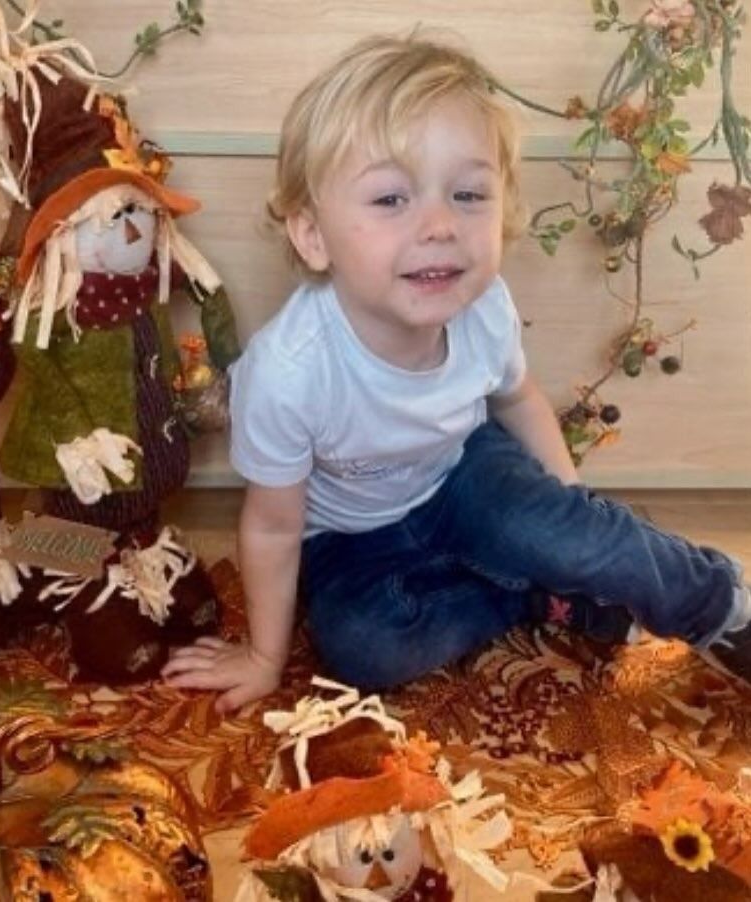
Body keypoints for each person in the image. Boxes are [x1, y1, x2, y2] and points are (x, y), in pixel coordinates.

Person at [161, 35, 751, 712]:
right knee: (363, 648)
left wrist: (570, 519)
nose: (440, 224)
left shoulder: (484, 309)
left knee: (564, 534)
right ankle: (534, 595)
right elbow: (271, 526)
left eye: (469, 193)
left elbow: (520, 399)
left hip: (464, 475)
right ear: (313, 235)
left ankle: (723, 605)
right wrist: (265, 658)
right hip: (351, 537)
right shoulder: (287, 371)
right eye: (390, 200)